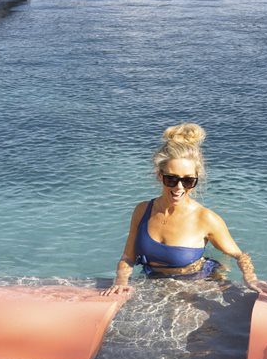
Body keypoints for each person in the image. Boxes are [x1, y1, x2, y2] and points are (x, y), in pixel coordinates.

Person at [103, 123, 257, 295]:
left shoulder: (206, 218)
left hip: (199, 283)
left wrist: (249, 277)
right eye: (171, 179)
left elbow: (239, 255)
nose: (179, 187)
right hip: (156, 284)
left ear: (196, 179)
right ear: (159, 175)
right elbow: (128, 257)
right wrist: (120, 281)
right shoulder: (142, 211)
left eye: (188, 181)